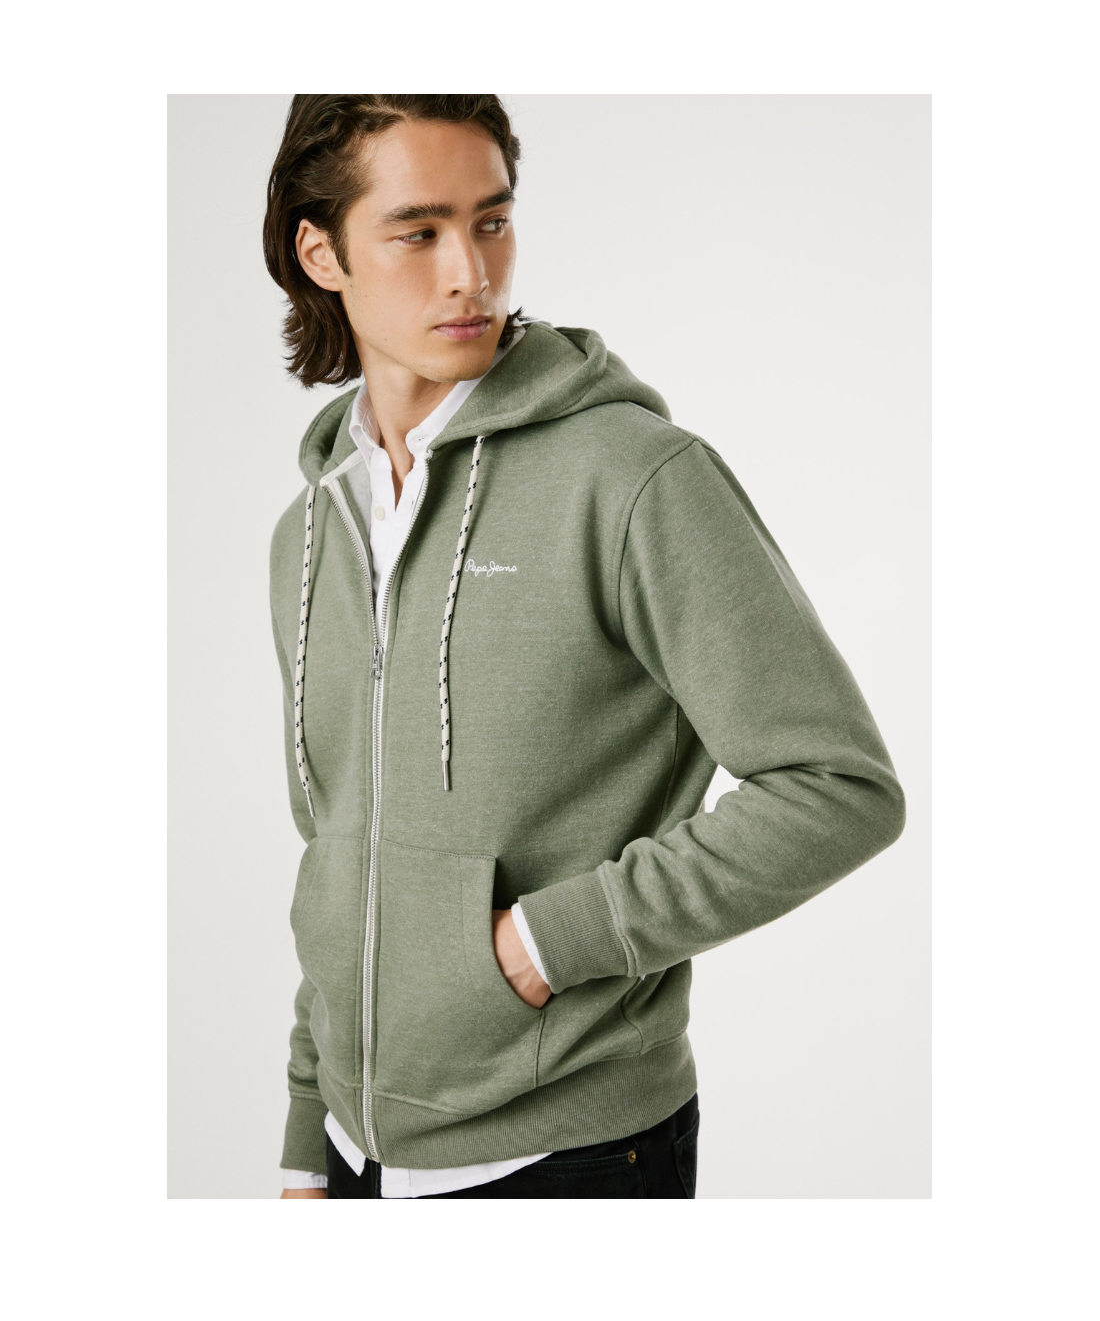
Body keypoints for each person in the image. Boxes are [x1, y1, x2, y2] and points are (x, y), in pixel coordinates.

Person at [263, 93, 905, 1200]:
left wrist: (550, 941)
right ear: (321, 253)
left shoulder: (631, 478)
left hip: (572, 1155)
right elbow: (337, 856)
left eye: (492, 221)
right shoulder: (310, 532)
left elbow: (836, 787)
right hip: (354, 1157)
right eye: (418, 232)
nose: (471, 272)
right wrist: (304, 1132)